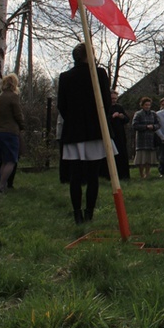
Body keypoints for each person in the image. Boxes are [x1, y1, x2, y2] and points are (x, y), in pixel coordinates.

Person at [58, 43, 113, 224]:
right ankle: (88, 212)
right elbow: (106, 101)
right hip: (94, 131)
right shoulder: (99, 74)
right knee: (92, 176)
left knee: (75, 176)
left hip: (74, 131)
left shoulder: (65, 77)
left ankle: (77, 213)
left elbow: (62, 106)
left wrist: (74, 120)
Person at [0, 73, 25, 193]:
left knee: (3, 160)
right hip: (10, 131)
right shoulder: (13, 97)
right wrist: (22, 125)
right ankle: (1, 185)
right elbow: (17, 114)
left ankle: (2, 183)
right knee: (11, 160)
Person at [132, 96, 159, 179]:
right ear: (142, 105)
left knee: (149, 159)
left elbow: (158, 124)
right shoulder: (138, 114)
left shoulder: (153, 114)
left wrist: (153, 127)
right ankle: (141, 174)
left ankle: (147, 174)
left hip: (151, 139)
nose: (147, 106)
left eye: (149, 105)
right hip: (141, 139)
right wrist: (146, 127)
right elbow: (134, 125)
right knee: (141, 159)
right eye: (146, 105)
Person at [108, 90, 131, 179]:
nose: (114, 100)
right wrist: (112, 116)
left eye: (115, 98)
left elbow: (127, 119)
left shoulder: (119, 107)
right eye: (112, 98)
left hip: (120, 134)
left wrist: (122, 117)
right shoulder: (106, 107)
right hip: (111, 134)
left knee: (122, 154)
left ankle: (123, 175)